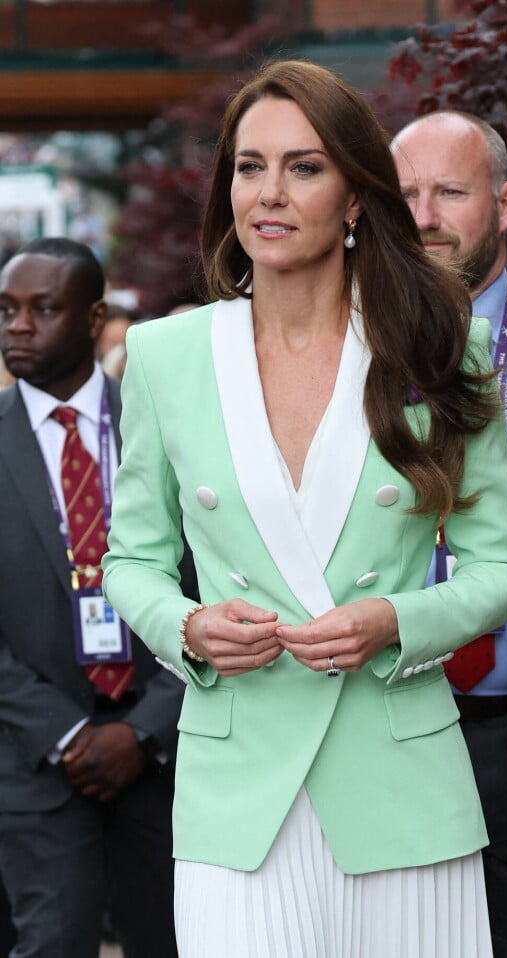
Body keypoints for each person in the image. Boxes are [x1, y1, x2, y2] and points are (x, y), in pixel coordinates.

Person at [102, 61, 507, 958]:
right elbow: (131, 562)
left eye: (303, 167)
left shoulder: (441, 346)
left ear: (353, 197)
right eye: (249, 166)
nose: (269, 191)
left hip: (403, 786)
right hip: (236, 793)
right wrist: (187, 624)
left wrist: (395, 619)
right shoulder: (165, 356)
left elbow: (505, 569)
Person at [392, 110, 507, 957]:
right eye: (404, 194)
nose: (424, 215)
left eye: (450, 192)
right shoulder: (340, 350)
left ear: (504, 203)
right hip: (384, 734)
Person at [0, 237, 196, 958]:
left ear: (93, 317)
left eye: (42, 309)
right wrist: (66, 734)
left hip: (166, 753)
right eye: (6, 310)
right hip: (34, 760)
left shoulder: (167, 426)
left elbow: (215, 586)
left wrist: (143, 730)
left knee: (174, 941)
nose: (18, 326)